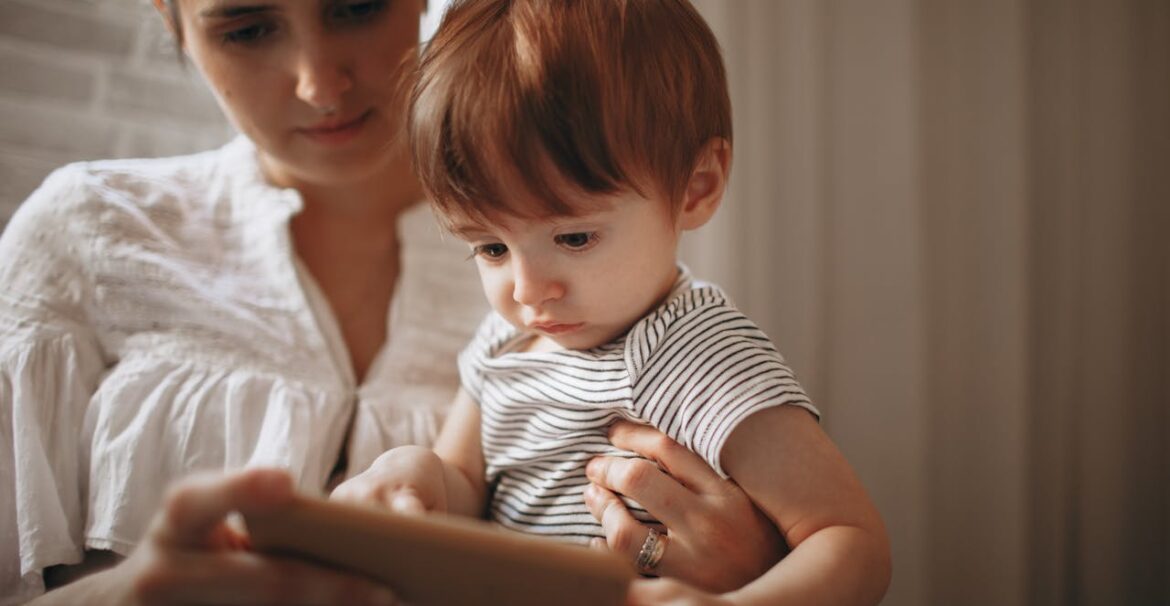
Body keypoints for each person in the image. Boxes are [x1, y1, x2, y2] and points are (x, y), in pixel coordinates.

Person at [0, 0, 787, 604]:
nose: (319, 83)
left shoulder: (611, 266)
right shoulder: (87, 236)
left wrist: (754, 570)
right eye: (245, 28)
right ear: (170, 21)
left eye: (355, 5)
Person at [332, 0, 892, 604]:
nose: (526, 290)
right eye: (491, 248)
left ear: (695, 187)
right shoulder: (506, 340)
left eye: (573, 237)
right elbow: (465, 481)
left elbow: (848, 538)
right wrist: (417, 473)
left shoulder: (693, 351)